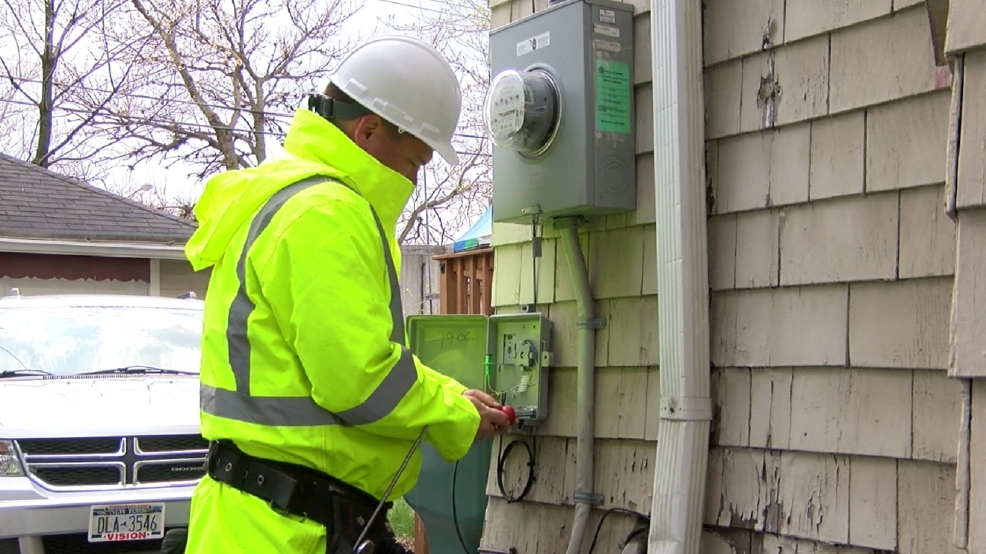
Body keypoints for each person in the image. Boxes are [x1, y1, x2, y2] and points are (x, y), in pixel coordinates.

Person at [177, 35, 512, 554]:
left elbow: (349, 360)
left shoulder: (285, 197)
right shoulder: (326, 215)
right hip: (291, 529)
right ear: (369, 129)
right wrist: (457, 416)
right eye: (414, 160)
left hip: (262, 519)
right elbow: (360, 380)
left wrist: (450, 396)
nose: (412, 177)